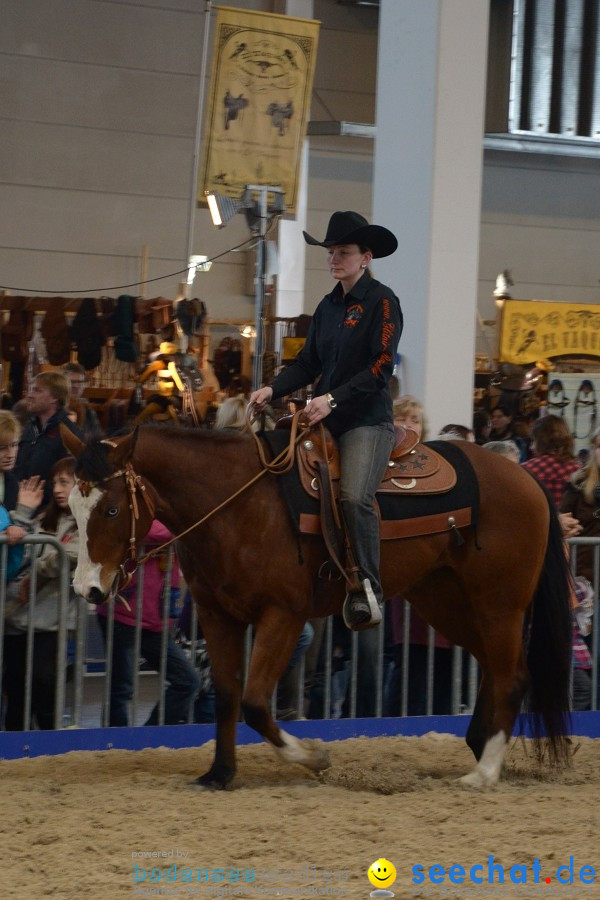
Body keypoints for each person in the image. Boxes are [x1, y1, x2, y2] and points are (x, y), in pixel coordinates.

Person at [251, 210, 402, 630]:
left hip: (366, 420)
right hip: (326, 418)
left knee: (354, 496)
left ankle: (368, 587)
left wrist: (332, 399)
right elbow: (307, 363)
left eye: (343, 252)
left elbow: (381, 368)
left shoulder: (383, 302)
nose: (334, 259)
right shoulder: (328, 305)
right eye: (331, 252)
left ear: (365, 257)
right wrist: (272, 389)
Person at [96, 520, 200, 727]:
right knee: (122, 689)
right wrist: (181, 527)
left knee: (188, 681)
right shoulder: (137, 506)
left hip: (154, 617)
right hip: (122, 612)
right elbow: (135, 529)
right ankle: (116, 746)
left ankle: (148, 738)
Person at [3, 457, 78, 730]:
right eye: (55, 482)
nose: (58, 489)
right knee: (17, 689)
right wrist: (22, 514)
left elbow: (72, 553)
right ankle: (14, 754)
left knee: (46, 684)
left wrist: (38, 574)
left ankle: (51, 747)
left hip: (51, 621)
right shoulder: (44, 518)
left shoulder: (86, 523)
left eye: (65, 482)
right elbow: (17, 555)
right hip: (17, 618)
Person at [14, 370, 84, 507]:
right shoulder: (29, 428)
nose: (29, 395)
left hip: (49, 511)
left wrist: (38, 493)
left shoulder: (69, 435)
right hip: (20, 504)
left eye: (37, 391)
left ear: (54, 398)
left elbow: (72, 478)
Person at [521, 414, 579, 507]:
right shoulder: (578, 471)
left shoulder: (525, 469)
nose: (531, 447)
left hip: (538, 520)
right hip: (569, 519)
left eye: (533, 440)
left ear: (541, 440)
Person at [62, 362, 104, 441]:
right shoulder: (54, 408)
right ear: (62, 384)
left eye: (80, 382)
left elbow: (98, 436)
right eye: (72, 382)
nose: (76, 386)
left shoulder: (88, 411)